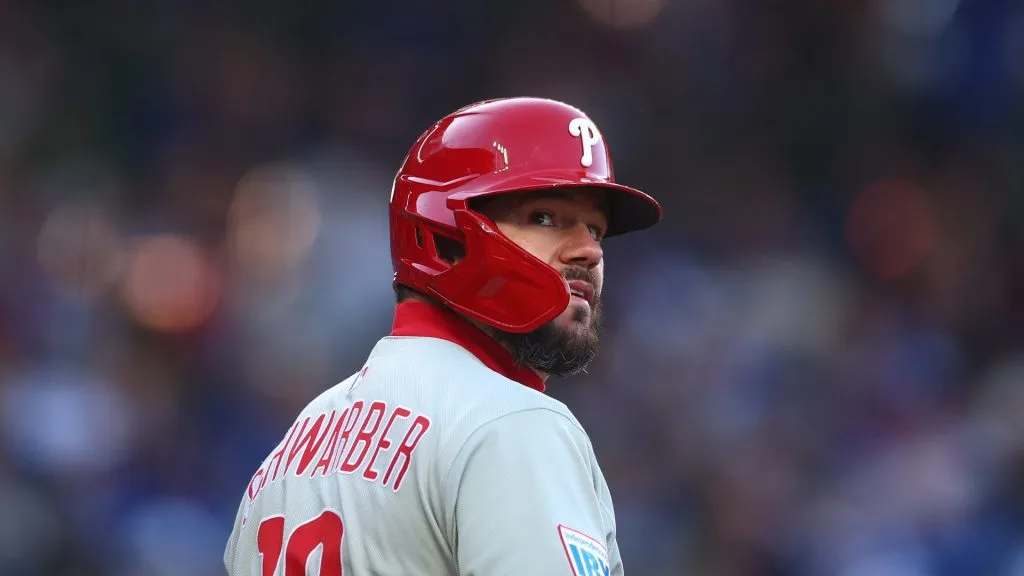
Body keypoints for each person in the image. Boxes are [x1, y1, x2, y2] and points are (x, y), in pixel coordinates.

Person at [223, 96, 662, 576]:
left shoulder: (288, 456)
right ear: (447, 236)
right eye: (544, 217)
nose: (589, 251)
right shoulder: (510, 425)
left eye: (595, 230)